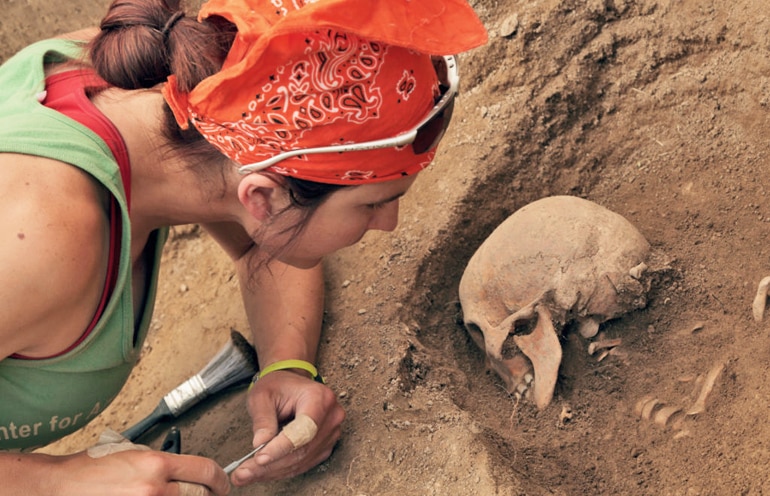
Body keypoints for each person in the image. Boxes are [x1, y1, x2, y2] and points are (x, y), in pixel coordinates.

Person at [0, 0, 487, 493]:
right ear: (262, 196)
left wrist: (285, 364)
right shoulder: (38, 239)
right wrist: (56, 483)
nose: (390, 224)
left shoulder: (159, 85)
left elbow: (266, 246)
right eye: (373, 205)